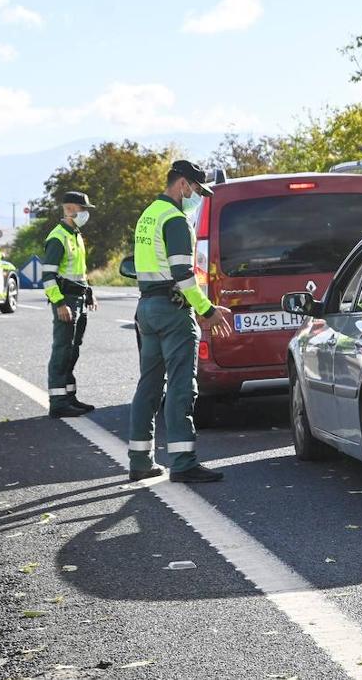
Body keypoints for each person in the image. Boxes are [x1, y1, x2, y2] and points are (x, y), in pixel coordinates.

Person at [126, 160, 234, 483]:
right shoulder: (174, 220)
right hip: (173, 312)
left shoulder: (148, 215)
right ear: (183, 184)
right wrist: (207, 310)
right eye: (197, 190)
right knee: (181, 386)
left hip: (147, 307)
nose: (198, 196)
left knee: (149, 385)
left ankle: (140, 460)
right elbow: (184, 276)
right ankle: (183, 461)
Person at [41, 191, 98, 418]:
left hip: (79, 299)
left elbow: (78, 272)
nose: (85, 214)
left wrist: (89, 292)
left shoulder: (75, 234)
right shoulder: (58, 237)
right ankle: (58, 402)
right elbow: (48, 277)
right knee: (62, 350)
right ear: (70, 209)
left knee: (73, 349)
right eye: (82, 209)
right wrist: (59, 303)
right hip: (66, 301)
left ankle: (69, 396)